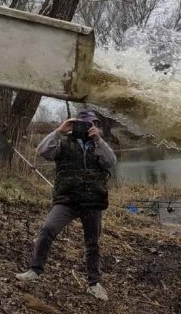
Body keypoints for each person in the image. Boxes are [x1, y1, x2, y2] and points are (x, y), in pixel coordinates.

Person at [16, 109, 117, 301]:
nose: (89, 127)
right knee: (47, 230)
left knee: (92, 244)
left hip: (92, 202)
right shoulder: (62, 143)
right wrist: (59, 130)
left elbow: (111, 162)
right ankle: (34, 270)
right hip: (67, 201)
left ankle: (94, 284)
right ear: (73, 125)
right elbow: (42, 151)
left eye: (92, 124)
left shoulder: (99, 146)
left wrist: (99, 140)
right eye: (84, 123)